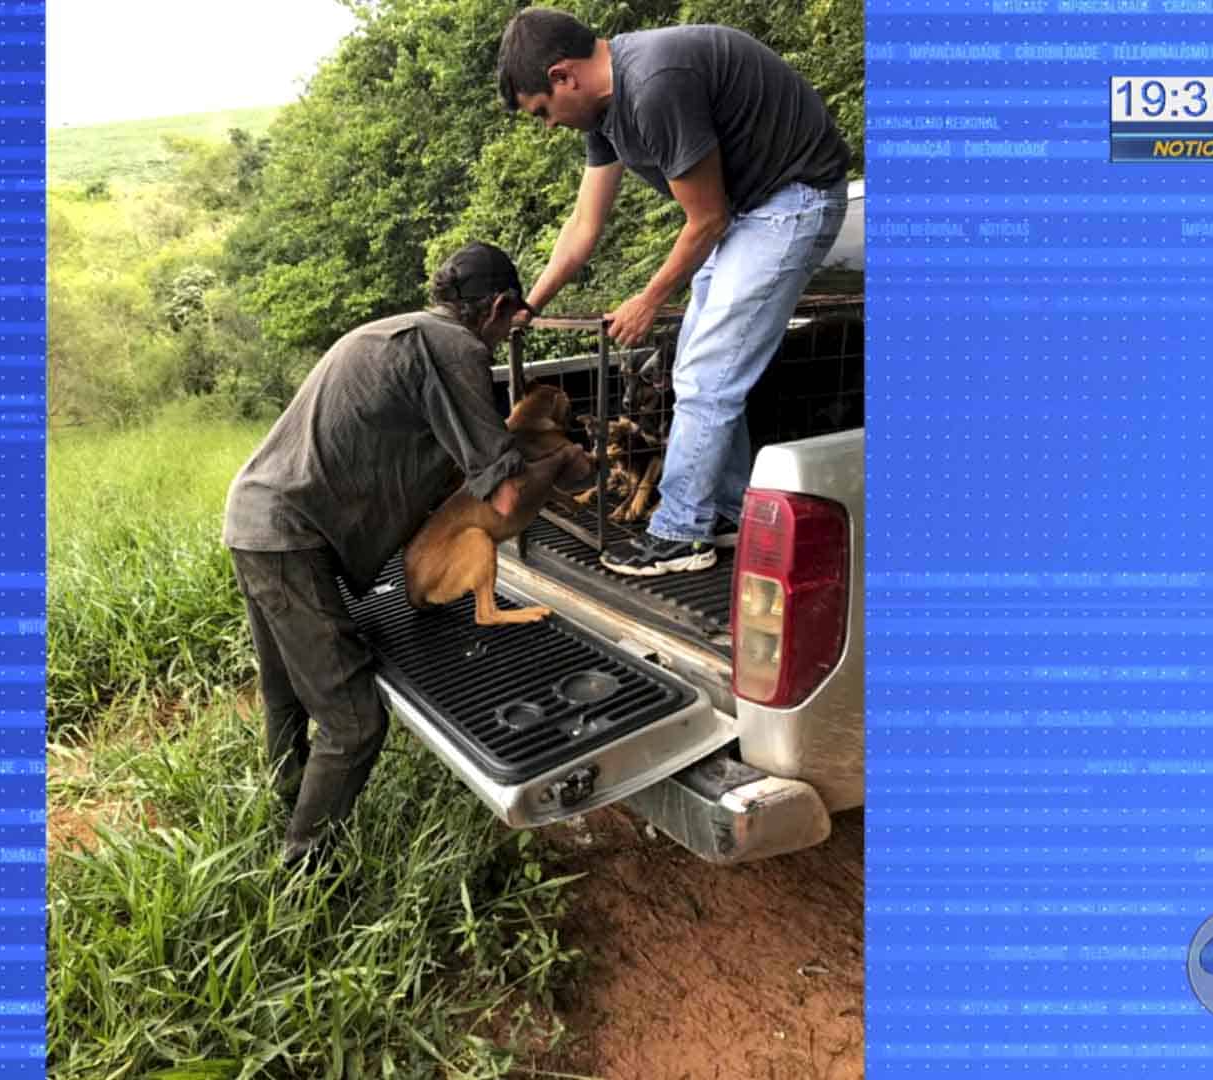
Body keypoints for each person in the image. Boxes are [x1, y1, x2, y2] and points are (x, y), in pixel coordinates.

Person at [222, 242, 570, 869]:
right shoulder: (456, 348)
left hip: (254, 518)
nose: (501, 338)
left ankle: (285, 805)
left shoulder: (395, 331)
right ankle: (299, 876)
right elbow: (506, 488)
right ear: (496, 308)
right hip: (289, 537)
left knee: (285, 691)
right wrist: (563, 463)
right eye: (508, 322)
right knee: (354, 722)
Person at [497, 8, 852, 576]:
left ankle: (681, 534)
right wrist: (530, 305)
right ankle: (729, 512)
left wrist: (650, 297)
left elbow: (706, 218)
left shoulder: (655, 84)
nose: (548, 124)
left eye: (542, 110)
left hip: (794, 200)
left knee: (707, 374)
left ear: (564, 76)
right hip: (747, 213)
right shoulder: (605, 115)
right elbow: (583, 228)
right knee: (696, 367)